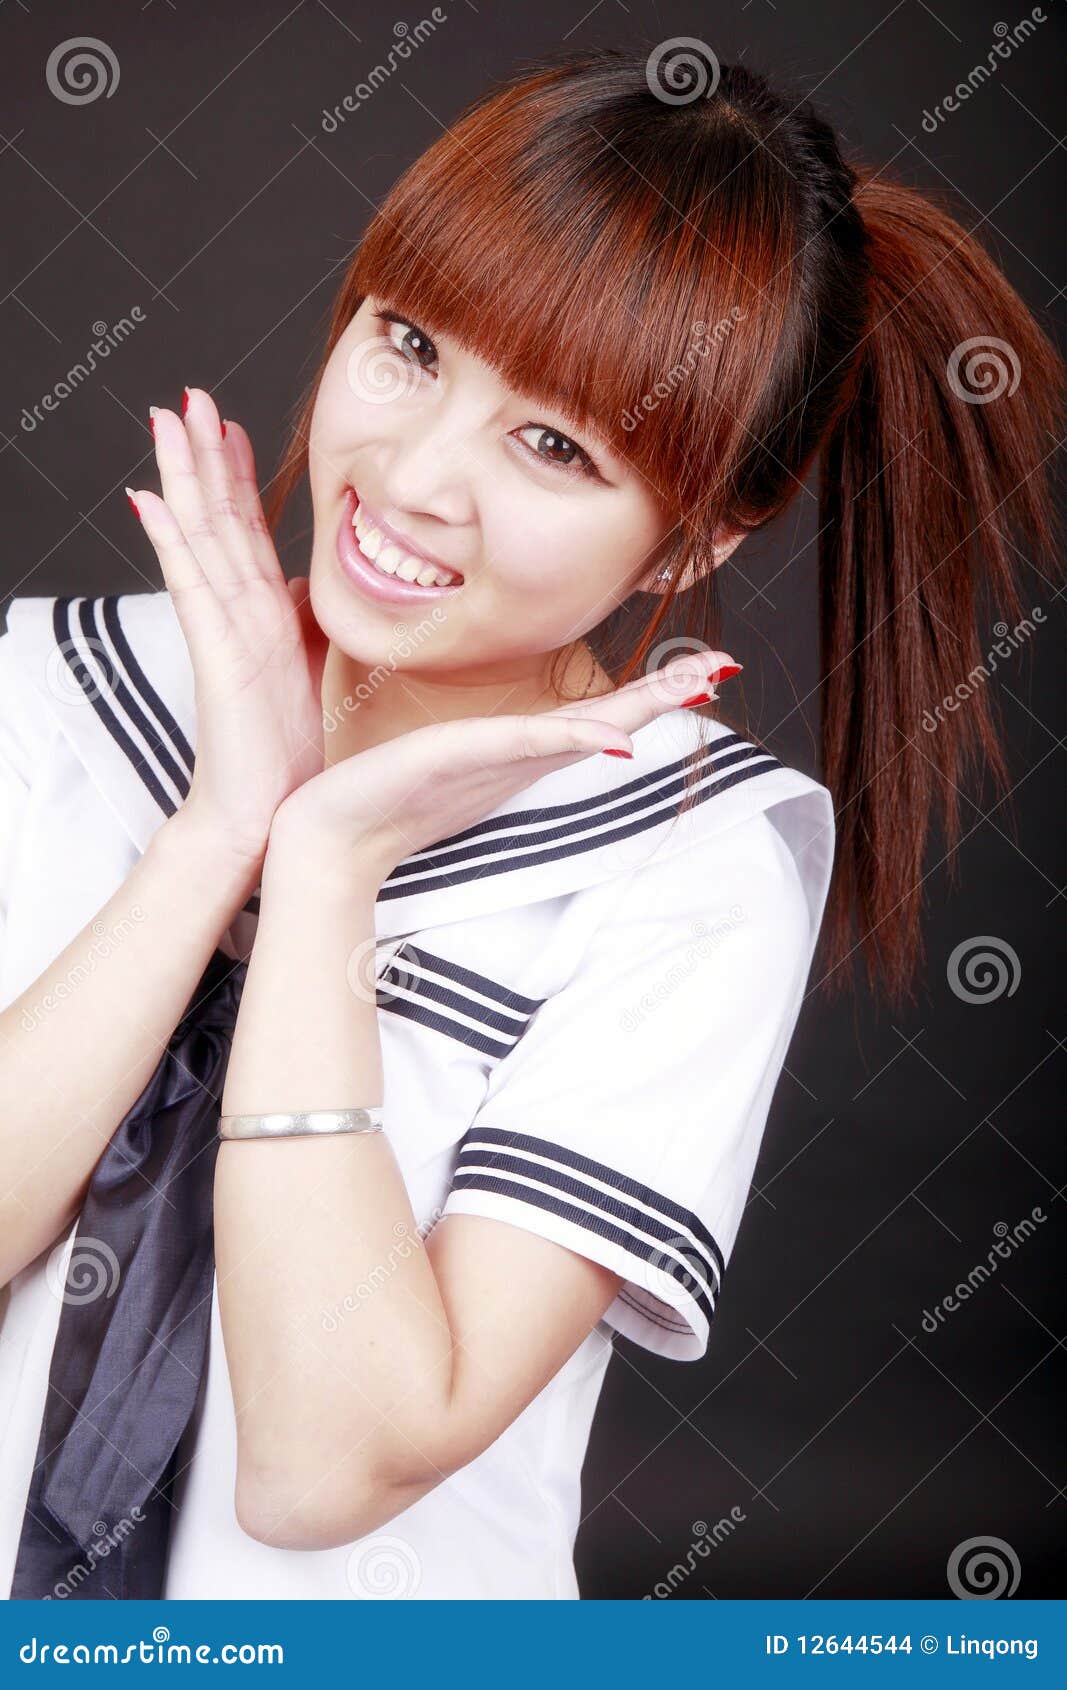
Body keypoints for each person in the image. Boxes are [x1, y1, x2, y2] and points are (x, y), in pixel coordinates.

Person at [0, 47, 1060, 1601]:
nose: (417, 478)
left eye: (556, 446)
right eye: (410, 343)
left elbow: (327, 1462)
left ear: (694, 536)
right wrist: (220, 829)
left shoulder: (694, 872)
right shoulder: (45, 688)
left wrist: (328, 868)